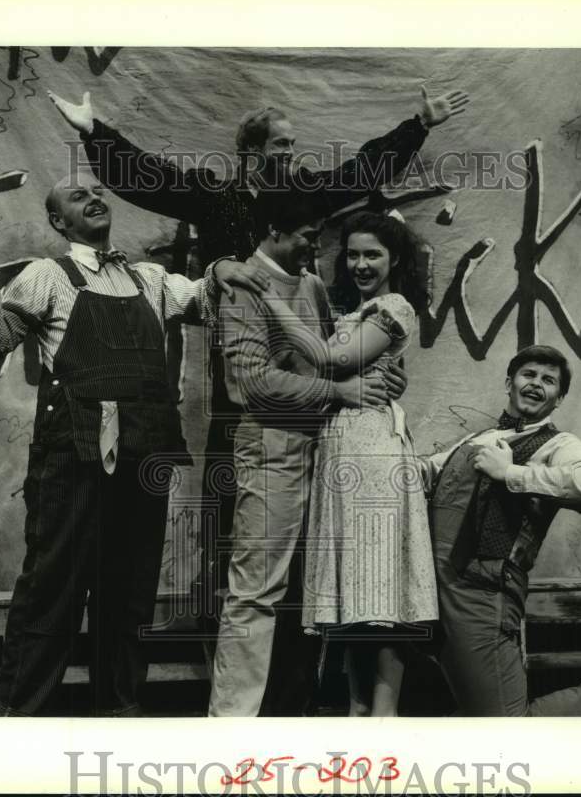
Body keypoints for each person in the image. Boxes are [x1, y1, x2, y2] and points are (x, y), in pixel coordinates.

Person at [46, 87, 469, 685]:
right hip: (243, 388)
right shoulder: (216, 198)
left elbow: (362, 171)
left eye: (294, 144)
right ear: (249, 152)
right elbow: (147, 180)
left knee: (305, 543)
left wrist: (418, 126)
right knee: (238, 538)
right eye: (280, 145)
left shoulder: (302, 199)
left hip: (311, 385)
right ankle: (235, 687)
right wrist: (95, 132)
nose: (291, 154)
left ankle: (292, 689)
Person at [0, 174, 268, 716]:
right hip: (71, 458)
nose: (95, 198)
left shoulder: (150, 279)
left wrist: (220, 266)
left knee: (129, 598)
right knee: (51, 593)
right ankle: (18, 727)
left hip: (144, 457)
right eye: (78, 196)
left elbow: (207, 301)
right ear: (58, 221)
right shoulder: (47, 275)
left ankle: (118, 718)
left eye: (98, 191)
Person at [208, 188, 406, 717]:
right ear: (274, 230)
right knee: (256, 593)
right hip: (271, 454)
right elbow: (250, 384)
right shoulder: (243, 285)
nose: (316, 248)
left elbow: (335, 356)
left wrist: (385, 375)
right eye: (307, 237)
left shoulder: (312, 285)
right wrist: (337, 392)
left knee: (309, 595)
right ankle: (231, 727)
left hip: (322, 453)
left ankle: (291, 712)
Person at [419, 345, 581, 717]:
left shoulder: (560, 444)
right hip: (434, 589)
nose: (536, 384)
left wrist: (510, 473)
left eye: (548, 380)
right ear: (509, 382)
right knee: (463, 711)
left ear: (559, 398)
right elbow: (424, 473)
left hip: (482, 592)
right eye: (529, 374)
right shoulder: (475, 439)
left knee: (504, 723)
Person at [261, 211, 437, 716]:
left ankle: (383, 711)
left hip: (373, 452)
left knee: (379, 584)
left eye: (372, 255)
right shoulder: (356, 309)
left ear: (394, 260)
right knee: (356, 587)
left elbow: (333, 359)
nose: (361, 264)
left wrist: (272, 302)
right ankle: (360, 707)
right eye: (354, 254)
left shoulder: (394, 306)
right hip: (342, 446)